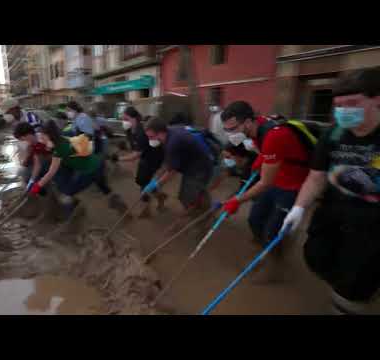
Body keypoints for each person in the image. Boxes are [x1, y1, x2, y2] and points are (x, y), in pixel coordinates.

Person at [281, 67, 380, 314]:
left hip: (372, 225)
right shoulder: (333, 135)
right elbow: (316, 178)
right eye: (339, 105)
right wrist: (298, 208)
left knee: (354, 284)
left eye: (353, 103)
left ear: (376, 99)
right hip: (333, 215)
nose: (345, 111)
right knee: (316, 257)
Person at [219, 101, 313, 282]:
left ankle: (274, 266)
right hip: (278, 178)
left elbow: (265, 183)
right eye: (227, 130)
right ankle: (264, 248)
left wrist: (237, 200)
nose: (230, 134)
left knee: (273, 230)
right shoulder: (258, 126)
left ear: (247, 121)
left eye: (233, 128)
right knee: (255, 219)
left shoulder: (274, 136)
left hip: (293, 186)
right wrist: (261, 158)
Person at [28, 120, 127, 219]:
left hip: (89, 171)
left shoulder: (58, 150)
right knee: (103, 187)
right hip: (98, 163)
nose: (41, 139)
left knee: (66, 194)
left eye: (42, 136)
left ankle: (75, 218)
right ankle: (119, 204)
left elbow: (50, 173)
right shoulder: (64, 138)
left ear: (48, 135)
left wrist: (35, 188)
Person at [144, 117, 214, 219]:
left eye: (151, 137)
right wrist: (156, 178)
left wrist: (156, 184)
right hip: (192, 164)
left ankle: (203, 217)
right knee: (189, 194)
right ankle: (202, 206)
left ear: (160, 132)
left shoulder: (173, 142)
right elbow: (168, 162)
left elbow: (172, 171)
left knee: (188, 197)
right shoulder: (169, 133)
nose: (150, 140)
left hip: (200, 168)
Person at [110, 107, 167, 218]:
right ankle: (160, 196)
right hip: (145, 158)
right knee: (141, 181)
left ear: (135, 118)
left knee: (143, 183)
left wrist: (118, 158)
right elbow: (133, 147)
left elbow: (136, 155)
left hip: (154, 158)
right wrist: (123, 148)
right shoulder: (130, 130)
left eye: (126, 119)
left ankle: (147, 209)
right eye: (123, 119)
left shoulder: (142, 131)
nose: (124, 122)